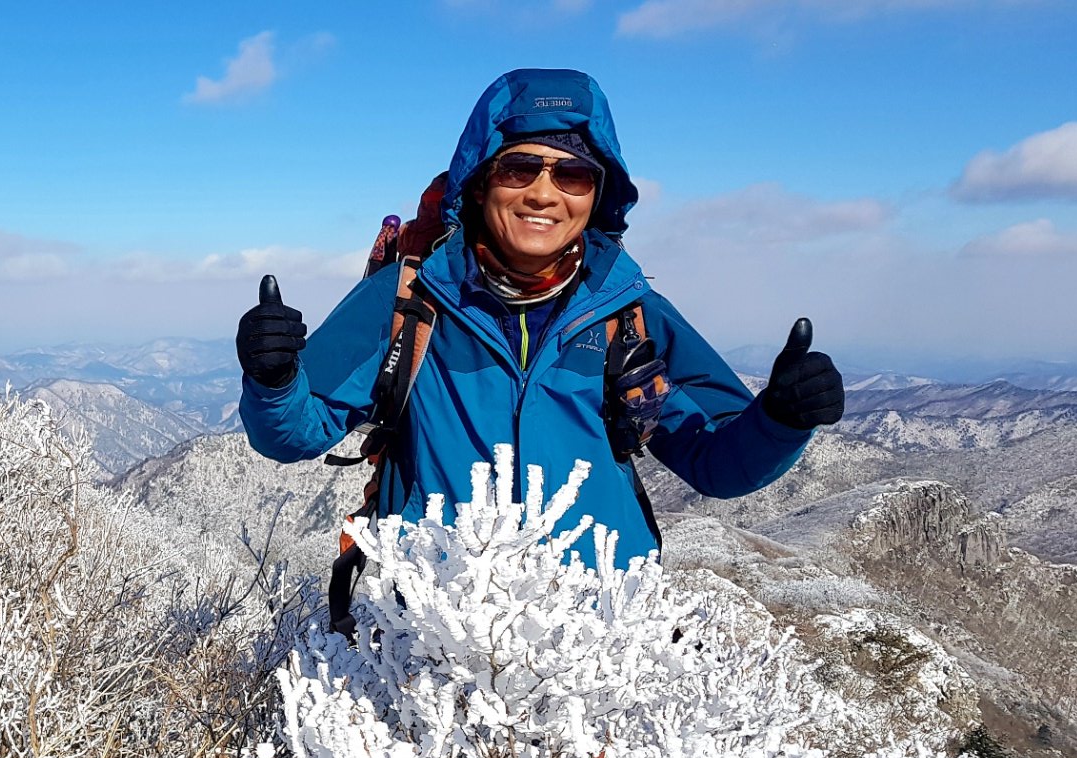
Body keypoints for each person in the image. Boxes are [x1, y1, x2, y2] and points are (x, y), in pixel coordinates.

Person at [236, 68, 844, 580]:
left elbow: (716, 461)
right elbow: (295, 433)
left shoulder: (626, 309)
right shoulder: (408, 297)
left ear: (598, 194)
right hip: (434, 630)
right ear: (480, 185)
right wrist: (274, 378)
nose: (543, 194)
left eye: (572, 174)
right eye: (519, 169)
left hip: (601, 638)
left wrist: (780, 420)